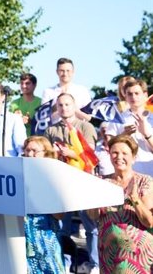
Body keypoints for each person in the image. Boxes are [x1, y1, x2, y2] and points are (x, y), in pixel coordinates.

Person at [43, 93, 99, 274]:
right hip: (60, 183)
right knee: (62, 226)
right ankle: (64, 262)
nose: (64, 108)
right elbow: (47, 156)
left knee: (91, 228)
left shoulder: (86, 126)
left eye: (67, 104)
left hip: (84, 181)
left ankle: (94, 264)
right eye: (60, 105)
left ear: (74, 106)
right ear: (57, 108)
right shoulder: (51, 130)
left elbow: (90, 156)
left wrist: (70, 153)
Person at [86, 134, 153, 273]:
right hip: (109, 253)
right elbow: (92, 216)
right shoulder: (102, 182)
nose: (119, 157)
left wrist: (134, 198)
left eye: (124, 153)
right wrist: (93, 195)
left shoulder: (145, 181)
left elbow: (149, 222)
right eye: (114, 153)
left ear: (134, 157)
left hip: (137, 255)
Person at [22, 136, 65, 274]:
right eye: (27, 150)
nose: (29, 154)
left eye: (34, 151)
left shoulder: (54, 178)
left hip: (47, 239)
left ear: (46, 153)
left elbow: (59, 215)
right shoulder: (19, 176)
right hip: (25, 239)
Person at [105, 79, 153, 176]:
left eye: (137, 93)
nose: (133, 97)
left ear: (145, 95)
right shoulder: (117, 118)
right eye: (130, 94)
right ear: (125, 96)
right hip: (126, 174)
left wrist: (146, 133)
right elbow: (108, 146)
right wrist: (123, 136)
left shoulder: (151, 117)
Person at [10, 72, 42, 137]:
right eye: (22, 83)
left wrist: (30, 121)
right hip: (17, 139)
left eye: (27, 83)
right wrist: (16, 119)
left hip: (35, 139)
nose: (24, 86)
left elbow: (44, 123)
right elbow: (8, 123)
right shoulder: (14, 103)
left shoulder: (41, 102)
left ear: (34, 85)